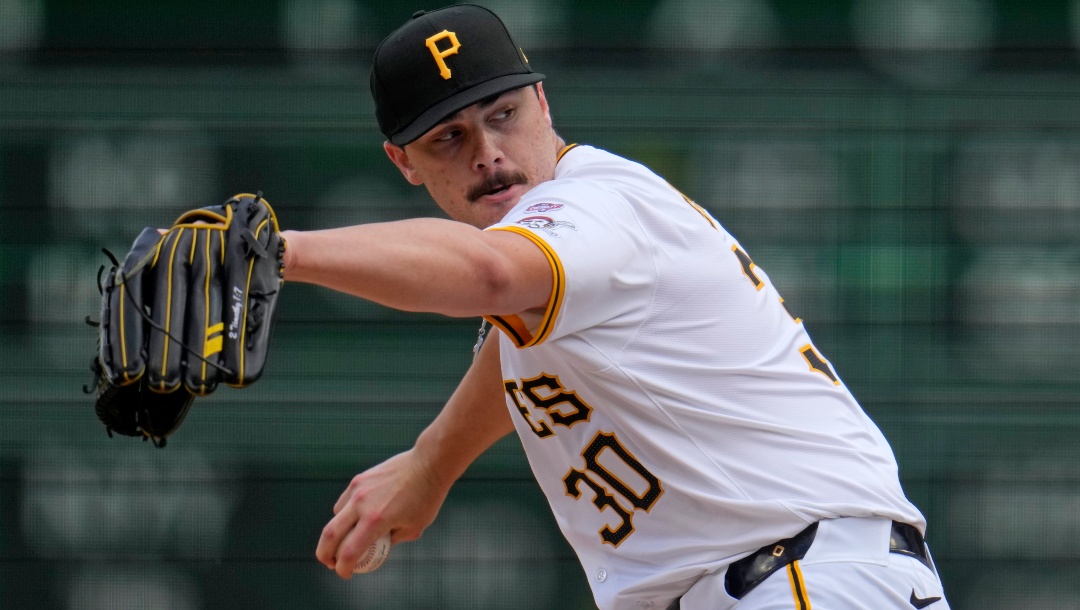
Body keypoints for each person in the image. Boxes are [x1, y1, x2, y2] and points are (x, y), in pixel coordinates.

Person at [287, 5, 951, 609]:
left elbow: (489, 277)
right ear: (402, 161)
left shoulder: (594, 206)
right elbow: (516, 329)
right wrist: (433, 463)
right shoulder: (567, 264)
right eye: (449, 138)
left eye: (503, 114)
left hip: (798, 577)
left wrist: (279, 253)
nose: (488, 154)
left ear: (542, 103)